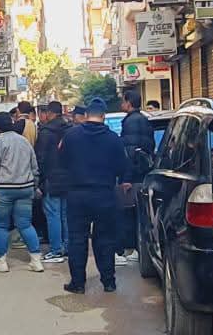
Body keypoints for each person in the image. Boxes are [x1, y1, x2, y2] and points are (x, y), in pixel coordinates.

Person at [60, 98, 130, 294]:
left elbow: (62, 161)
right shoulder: (114, 139)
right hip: (104, 194)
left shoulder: (71, 136)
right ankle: (108, 282)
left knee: (77, 239)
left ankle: (78, 283)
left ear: (85, 115)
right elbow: (122, 167)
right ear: (103, 116)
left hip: (77, 194)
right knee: (105, 239)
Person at [0, 112, 43, 273]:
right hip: (25, 188)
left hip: (2, 190)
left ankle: (1, 263)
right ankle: (36, 261)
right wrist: (34, 185)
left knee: (1, 226)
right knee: (25, 224)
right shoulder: (24, 141)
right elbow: (34, 167)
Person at [118, 90, 158, 263]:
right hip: (144, 173)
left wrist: (127, 178)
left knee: (131, 213)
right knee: (141, 213)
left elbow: (130, 152)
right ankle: (139, 248)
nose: (121, 104)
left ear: (128, 103)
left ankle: (134, 248)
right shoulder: (143, 120)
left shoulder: (131, 122)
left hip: (134, 176)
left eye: (123, 101)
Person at [34, 101, 72, 264]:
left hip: (51, 179)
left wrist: (39, 181)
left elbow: (40, 159)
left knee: (53, 215)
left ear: (49, 113)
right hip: (68, 179)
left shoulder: (46, 132)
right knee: (65, 215)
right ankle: (68, 247)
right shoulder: (70, 130)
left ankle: (56, 250)